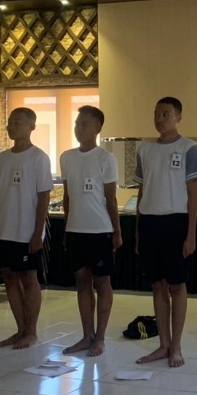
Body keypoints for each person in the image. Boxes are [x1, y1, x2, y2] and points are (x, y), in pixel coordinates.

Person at [134, 97, 197, 368]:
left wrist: (191, 233)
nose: (160, 119)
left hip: (176, 222)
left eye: (166, 114)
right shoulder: (145, 150)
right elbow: (142, 191)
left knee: (176, 285)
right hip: (149, 222)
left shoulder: (188, 147)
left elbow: (193, 193)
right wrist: (138, 229)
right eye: (157, 114)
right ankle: (163, 344)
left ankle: (177, 346)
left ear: (178, 117)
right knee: (157, 285)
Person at [60, 106, 122, 357]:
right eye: (77, 123)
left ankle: (100, 337)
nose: (79, 128)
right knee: (82, 281)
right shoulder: (67, 157)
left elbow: (111, 199)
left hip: (99, 230)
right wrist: (67, 227)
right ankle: (87, 335)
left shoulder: (105, 158)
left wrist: (117, 231)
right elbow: (67, 196)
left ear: (98, 128)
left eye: (85, 123)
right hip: (75, 229)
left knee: (102, 282)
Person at [0, 107, 53, 350]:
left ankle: (31, 331)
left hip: (26, 231)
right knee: (9, 278)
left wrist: (38, 233)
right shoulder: (2, 159)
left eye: (18, 122)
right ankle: (20, 329)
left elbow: (44, 197)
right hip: (3, 230)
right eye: (10, 122)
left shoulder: (39, 157)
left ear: (32, 126)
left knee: (28, 278)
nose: (12, 126)